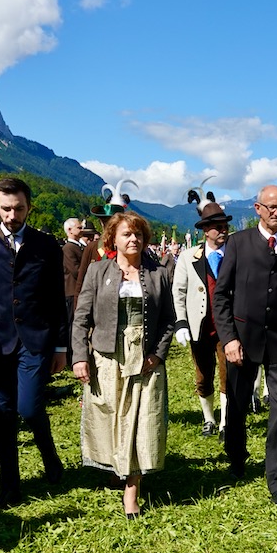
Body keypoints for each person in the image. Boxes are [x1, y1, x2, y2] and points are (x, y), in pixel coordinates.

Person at [0, 177, 68, 507]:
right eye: (6, 209)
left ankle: (49, 453)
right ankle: (9, 487)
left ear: (29, 208)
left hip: (35, 339)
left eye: (19, 208)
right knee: (2, 413)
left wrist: (61, 346)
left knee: (29, 408)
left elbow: (57, 298)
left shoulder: (46, 245)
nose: (12, 215)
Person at [212, 184, 277, 511]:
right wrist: (229, 338)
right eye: (271, 207)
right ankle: (236, 458)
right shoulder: (238, 244)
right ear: (258, 208)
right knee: (237, 405)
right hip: (243, 340)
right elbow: (221, 295)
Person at [72, 212, 175, 517]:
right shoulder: (97, 271)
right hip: (107, 356)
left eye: (138, 235)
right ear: (113, 239)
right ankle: (119, 465)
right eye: (127, 234)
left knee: (142, 419)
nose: (134, 240)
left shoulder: (158, 274)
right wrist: (80, 356)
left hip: (144, 358)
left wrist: (157, 354)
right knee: (111, 415)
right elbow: (81, 317)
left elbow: (169, 320)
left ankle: (132, 490)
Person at [173, 201, 232, 437]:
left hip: (228, 327)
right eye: (217, 227)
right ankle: (209, 418)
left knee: (228, 374)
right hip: (200, 326)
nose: (223, 231)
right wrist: (181, 322)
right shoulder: (188, 257)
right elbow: (179, 291)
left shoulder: (235, 254)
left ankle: (226, 421)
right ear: (206, 230)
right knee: (203, 374)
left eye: (225, 226)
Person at [62, 216, 88, 322]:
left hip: (78, 290)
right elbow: (76, 270)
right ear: (70, 230)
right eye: (79, 227)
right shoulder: (68, 248)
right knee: (73, 322)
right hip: (72, 291)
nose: (82, 230)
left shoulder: (79, 247)